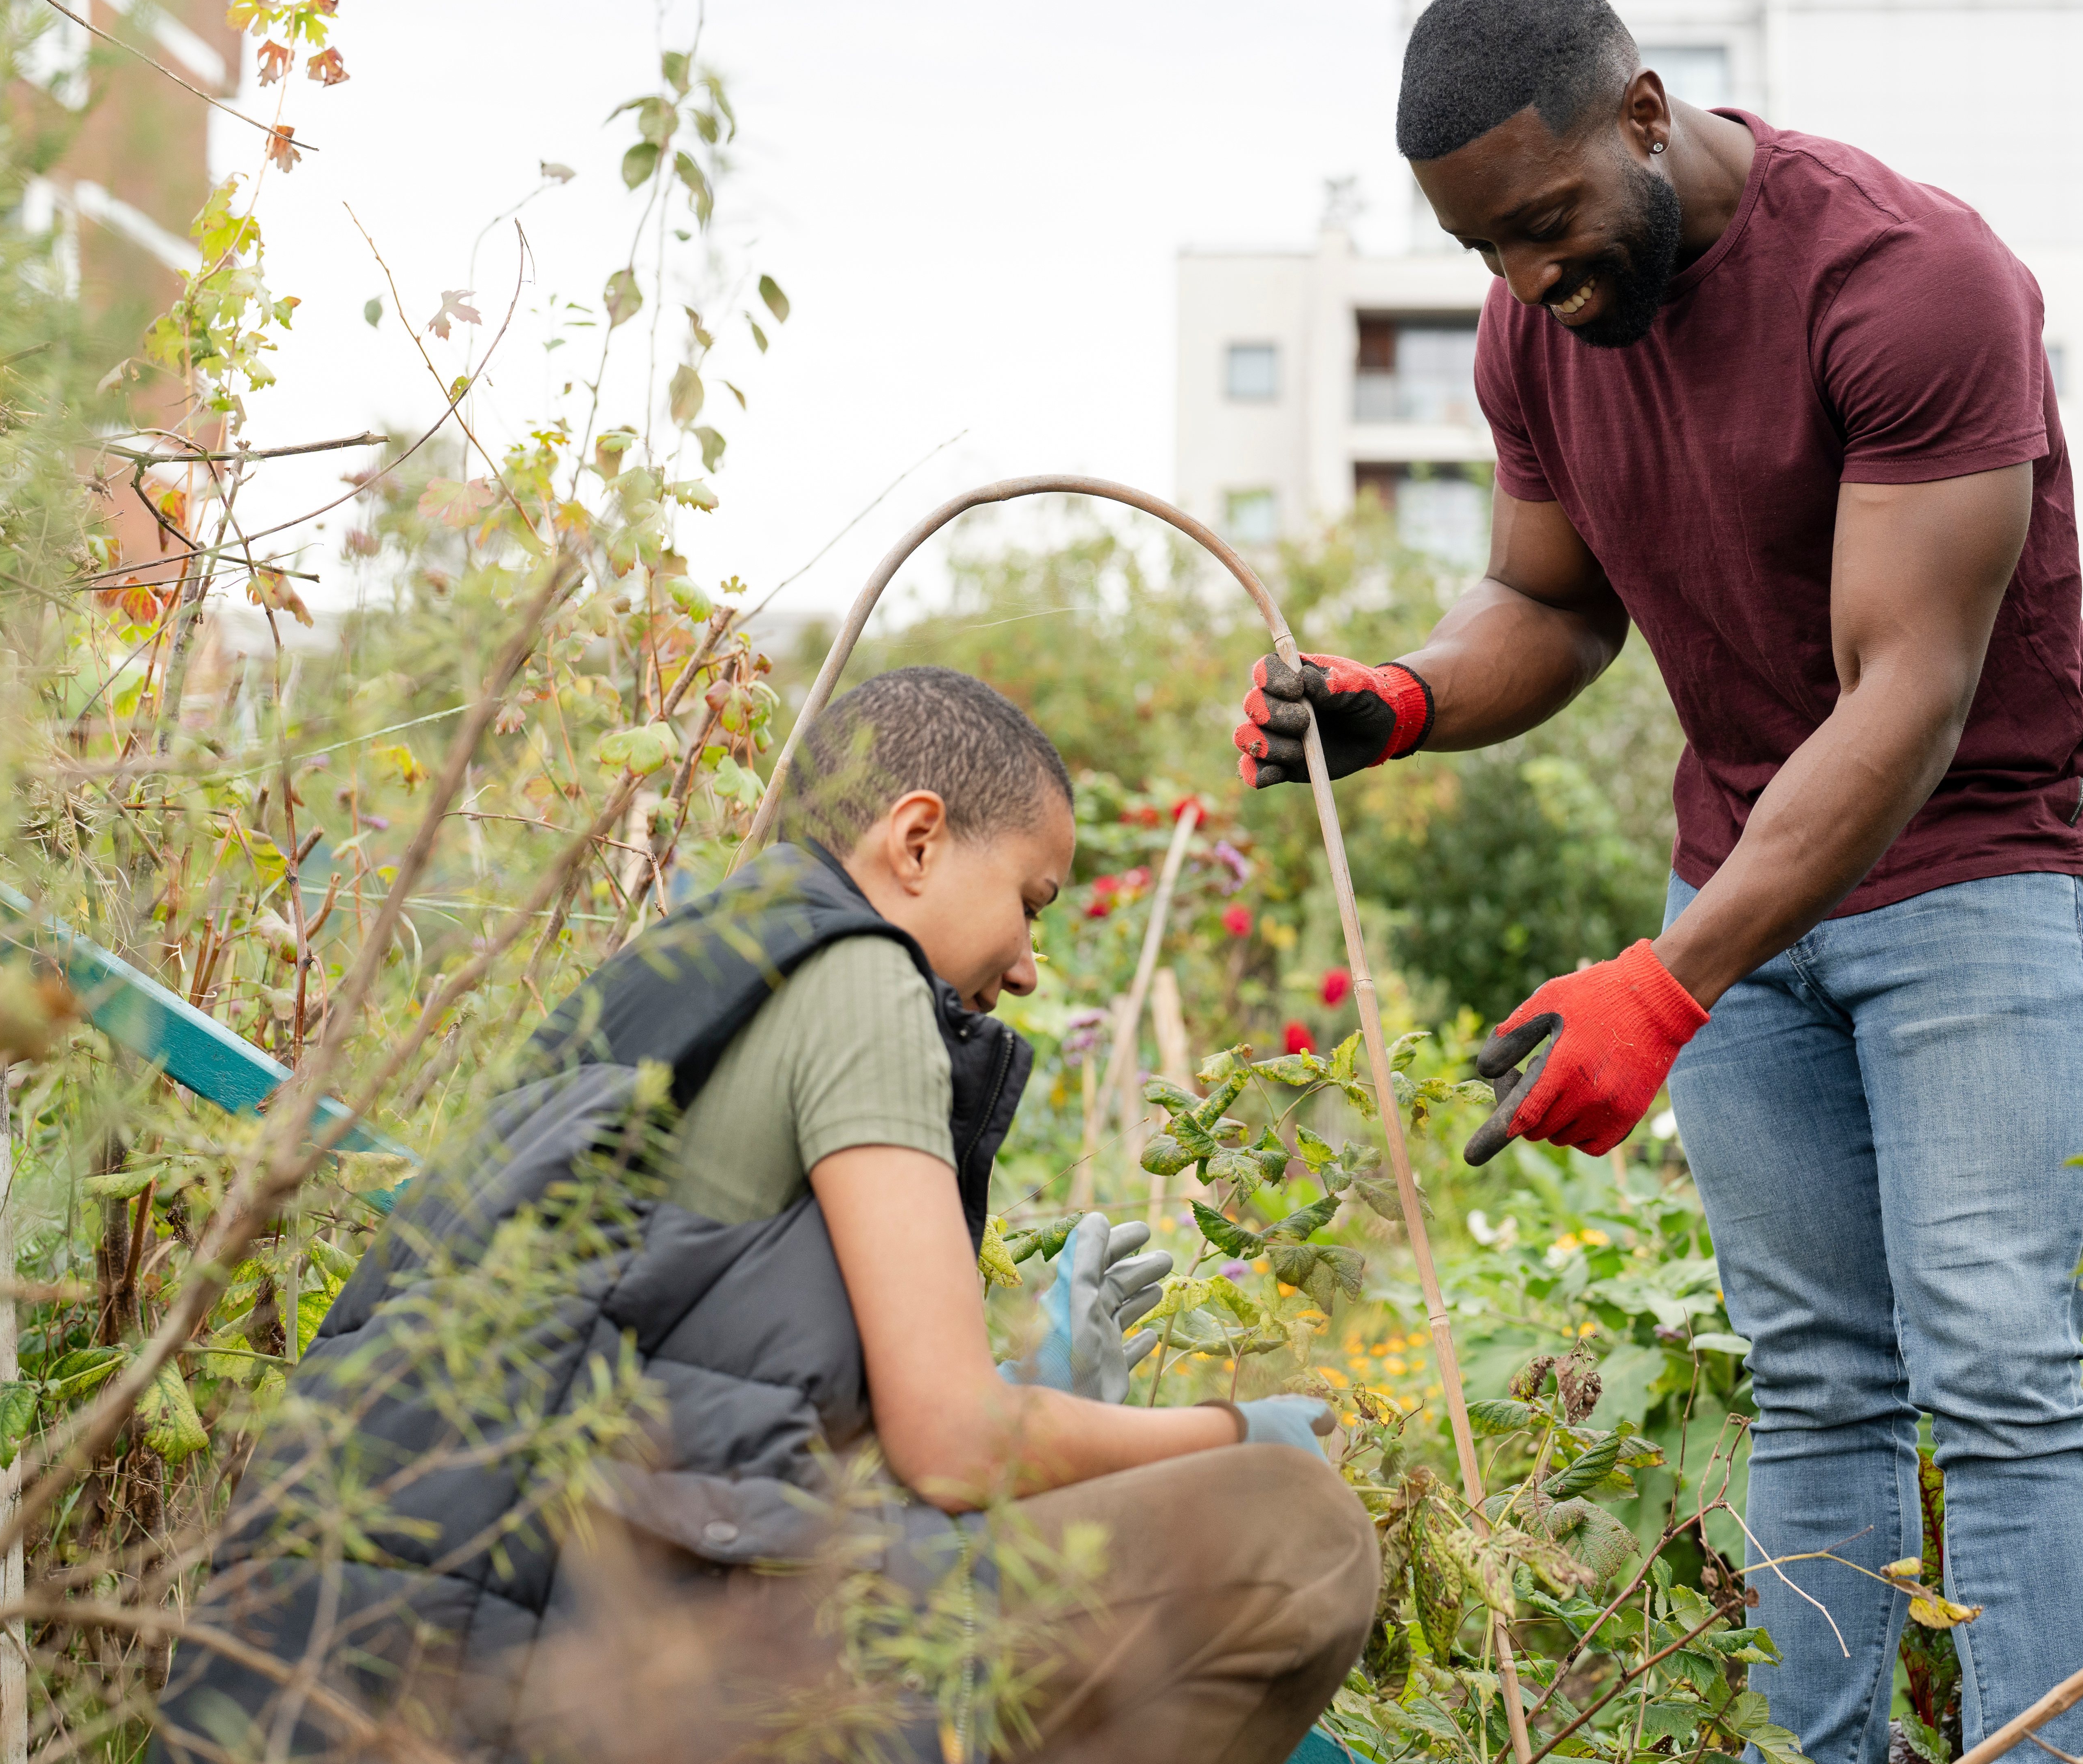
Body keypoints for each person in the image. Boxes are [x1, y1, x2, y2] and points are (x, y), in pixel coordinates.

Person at [1236, 0, 2083, 1764]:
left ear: (1644, 114)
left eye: (1547, 227)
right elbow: (1550, 604)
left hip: (1974, 871)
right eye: (1484, 250)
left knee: (1999, 1375)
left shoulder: (1910, 281)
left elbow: (1912, 693)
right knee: (1814, 1380)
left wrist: (1667, 980)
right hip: (1740, 881)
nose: (1528, 284)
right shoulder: (1537, 332)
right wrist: (1401, 697)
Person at [167, 665, 1377, 1764]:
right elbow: (953, 1444)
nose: (1026, 967)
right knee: (1296, 1539)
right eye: (1033, 900)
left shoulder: (686, 980)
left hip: (424, 1671)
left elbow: (723, 1439)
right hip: (575, 1682)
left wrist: (1045, 1385)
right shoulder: (860, 982)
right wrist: (1234, 1429)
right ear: (916, 840)